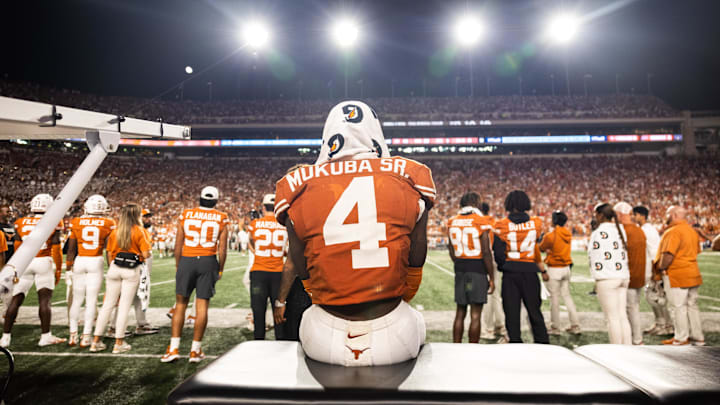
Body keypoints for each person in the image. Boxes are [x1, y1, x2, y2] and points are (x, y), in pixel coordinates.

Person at [272, 100, 432, 367]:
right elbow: (417, 248)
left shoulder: (296, 185)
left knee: (310, 321)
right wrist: (410, 283)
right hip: (395, 334)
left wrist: (313, 290)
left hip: (322, 333)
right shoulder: (411, 176)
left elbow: (298, 255)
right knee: (414, 320)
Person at [162, 186, 228, 363]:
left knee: (180, 304)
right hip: (207, 260)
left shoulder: (186, 214)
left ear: (200, 198)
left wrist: (179, 265)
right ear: (215, 201)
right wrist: (220, 269)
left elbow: (178, 244)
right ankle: (195, 350)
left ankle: (174, 348)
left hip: (187, 259)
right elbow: (222, 249)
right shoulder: (221, 218)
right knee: (202, 306)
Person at [1, 194, 66, 348]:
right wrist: (57, 270)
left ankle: (5, 337)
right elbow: (56, 249)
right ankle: (45, 336)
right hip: (43, 261)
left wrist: (17, 266)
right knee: (44, 301)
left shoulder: (20, 222)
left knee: (16, 300)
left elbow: (17, 247)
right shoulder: (54, 221)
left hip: (25, 262)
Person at [90, 203, 151, 353]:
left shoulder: (115, 231)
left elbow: (109, 254)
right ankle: (119, 343)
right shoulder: (140, 231)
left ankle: (96, 341)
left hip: (114, 269)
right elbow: (146, 254)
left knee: (107, 306)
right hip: (131, 270)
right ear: (136, 216)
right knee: (124, 307)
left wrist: (113, 266)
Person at [492, 190, 549, 344]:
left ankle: (515, 343)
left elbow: (498, 253)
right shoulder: (536, 223)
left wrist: (506, 265)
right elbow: (536, 244)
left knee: (511, 314)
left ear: (508, 204)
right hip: (530, 272)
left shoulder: (501, 225)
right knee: (535, 312)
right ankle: (543, 344)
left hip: (511, 274)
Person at [65, 195, 115, 347]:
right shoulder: (108, 222)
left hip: (80, 261)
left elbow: (71, 249)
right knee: (91, 300)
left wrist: (68, 268)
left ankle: (73, 336)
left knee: (77, 300)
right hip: (96, 260)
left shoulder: (77, 221)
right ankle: (86, 336)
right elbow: (109, 249)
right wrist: (111, 266)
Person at [446, 192, 495, 343]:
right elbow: (486, 252)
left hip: (461, 269)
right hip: (477, 270)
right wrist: (491, 277)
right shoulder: (480, 221)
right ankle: (472, 349)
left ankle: (456, 346)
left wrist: (459, 263)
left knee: (460, 311)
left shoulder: (452, 221)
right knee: (475, 314)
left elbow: (451, 248)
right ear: (477, 203)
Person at [655, 206, 705, 346]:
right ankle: (697, 337)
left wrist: (661, 267)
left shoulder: (673, 231)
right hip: (693, 273)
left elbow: (668, 254)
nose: (665, 216)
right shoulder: (691, 231)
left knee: (678, 306)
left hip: (677, 274)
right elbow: (696, 251)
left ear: (674, 214)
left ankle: (681, 338)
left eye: (667, 213)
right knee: (692, 306)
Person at [248, 194, 289, 340]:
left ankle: (259, 344)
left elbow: (252, 243)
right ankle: (280, 345)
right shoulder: (285, 225)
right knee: (279, 314)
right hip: (278, 274)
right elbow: (287, 249)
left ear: (263, 208)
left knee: (258, 313)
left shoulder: (254, 224)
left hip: (259, 272)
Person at [589, 203, 631, 345]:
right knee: (622, 316)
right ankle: (628, 348)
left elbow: (593, 256)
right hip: (623, 276)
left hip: (607, 278)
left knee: (612, 318)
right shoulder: (620, 230)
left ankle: (617, 351)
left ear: (600, 215)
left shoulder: (597, 233)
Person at [539, 210, 580, 335]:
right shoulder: (567, 233)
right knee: (567, 297)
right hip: (566, 268)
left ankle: (555, 327)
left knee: (554, 299)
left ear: (554, 220)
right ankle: (575, 325)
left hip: (555, 269)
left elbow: (540, 248)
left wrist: (549, 251)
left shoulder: (550, 235)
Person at [632, 205, 672, 336]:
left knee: (656, 298)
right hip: (647, 268)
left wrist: (657, 272)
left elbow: (655, 252)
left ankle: (666, 325)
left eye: (635, 214)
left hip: (652, 269)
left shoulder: (648, 230)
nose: (634, 217)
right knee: (652, 297)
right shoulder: (643, 229)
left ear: (642, 215)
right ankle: (660, 323)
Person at [614, 202, 646, 345]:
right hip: (639, 274)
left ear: (620, 215)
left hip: (629, 275)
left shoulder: (623, 231)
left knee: (629, 310)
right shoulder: (639, 230)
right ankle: (636, 339)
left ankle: (636, 340)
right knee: (634, 308)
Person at [477, 202, 506, 342]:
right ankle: (500, 324)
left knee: (487, 296)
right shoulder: (495, 223)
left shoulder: (479, 223)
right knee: (495, 295)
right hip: (496, 260)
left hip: (484, 260)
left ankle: (488, 328)